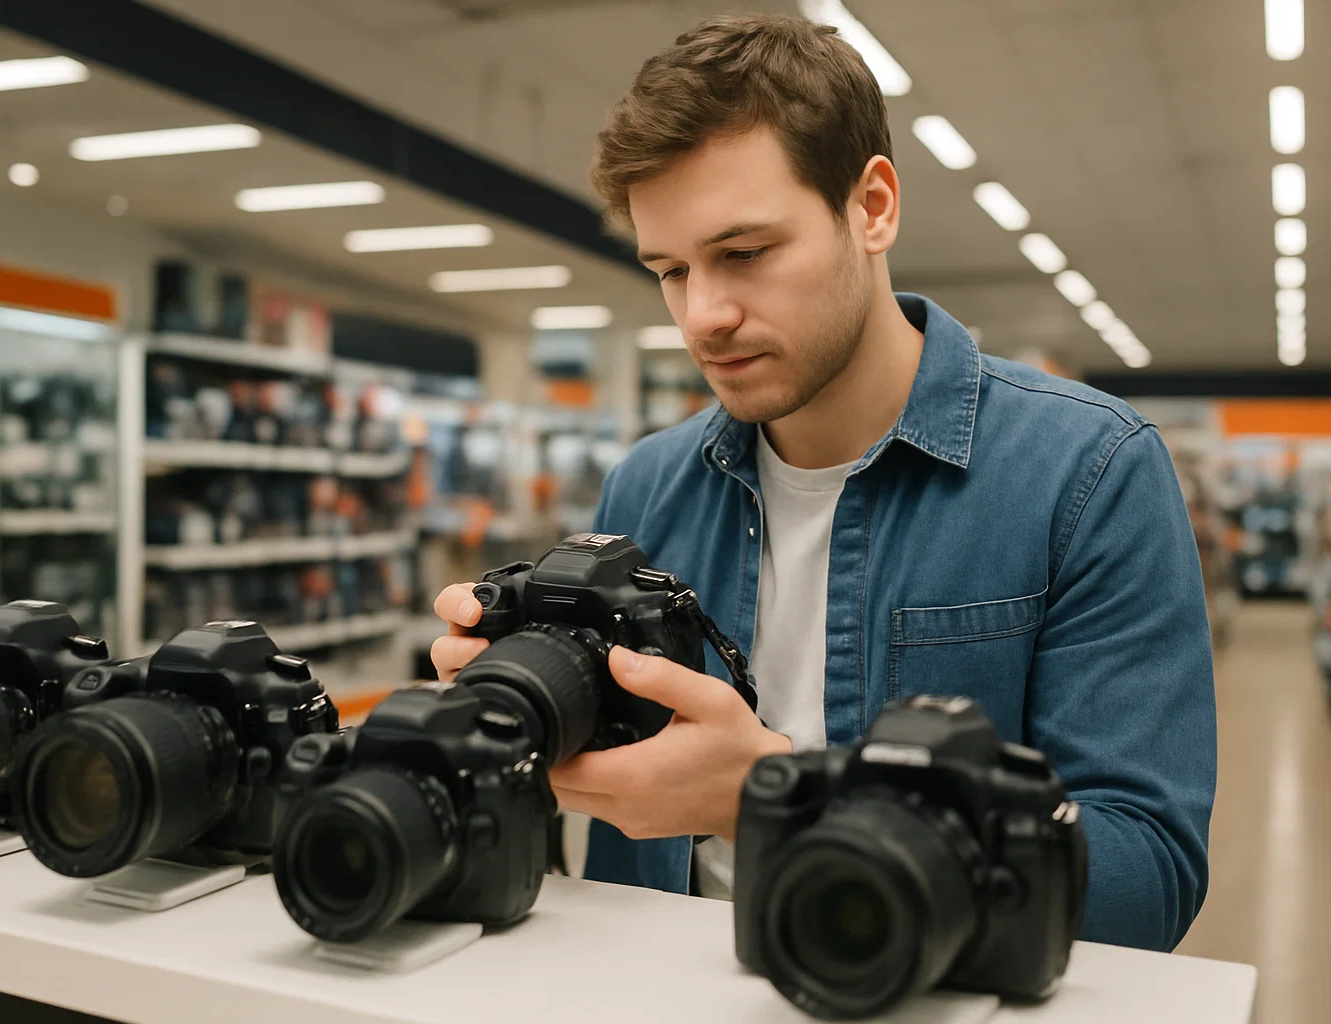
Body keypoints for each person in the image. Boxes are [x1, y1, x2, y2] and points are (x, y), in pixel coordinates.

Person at [431, 13, 1215, 953]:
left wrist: (772, 796)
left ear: (872, 206)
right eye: (671, 270)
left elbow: (1148, 880)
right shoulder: (646, 487)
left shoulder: (1087, 474)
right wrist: (515, 713)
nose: (705, 315)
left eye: (745, 253)